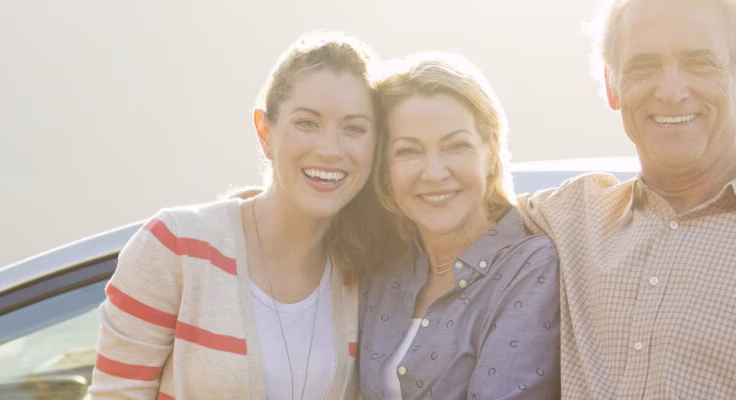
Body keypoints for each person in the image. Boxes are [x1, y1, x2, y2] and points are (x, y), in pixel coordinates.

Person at [89, 30, 382, 399]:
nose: (330, 149)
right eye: (307, 123)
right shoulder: (176, 247)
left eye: (354, 129)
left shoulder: (368, 272)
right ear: (265, 130)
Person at [517, 0, 736, 397]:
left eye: (699, 63)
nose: (671, 91)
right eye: (644, 66)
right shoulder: (571, 218)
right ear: (612, 85)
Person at [358, 53, 560, 400]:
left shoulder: (531, 267)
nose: (434, 172)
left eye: (457, 146)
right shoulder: (385, 264)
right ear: (385, 168)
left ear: (492, 150)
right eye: (408, 151)